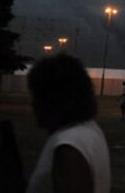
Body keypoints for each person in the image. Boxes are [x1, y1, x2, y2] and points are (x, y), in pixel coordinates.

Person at [26, 53, 111, 193]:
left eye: (38, 96)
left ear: (54, 99)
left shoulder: (68, 148)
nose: (33, 104)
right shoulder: (89, 130)